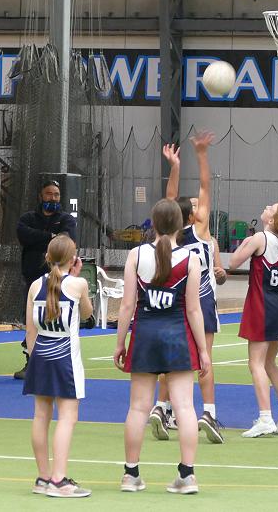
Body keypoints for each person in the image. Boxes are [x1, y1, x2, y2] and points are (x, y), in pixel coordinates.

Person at [114, 199, 210, 495]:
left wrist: (120, 342)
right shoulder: (191, 258)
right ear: (181, 225)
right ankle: (187, 475)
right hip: (177, 337)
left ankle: (131, 474)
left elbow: (127, 305)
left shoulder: (136, 255)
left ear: (152, 224)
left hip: (145, 336)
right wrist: (203, 350)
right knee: (184, 406)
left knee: (138, 407)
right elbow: (193, 309)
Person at [149, 132, 225, 444]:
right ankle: (208, 412)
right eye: (193, 205)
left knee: (173, 359)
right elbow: (206, 187)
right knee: (205, 358)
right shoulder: (200, 230)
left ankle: (161, 407)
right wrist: (202, 154)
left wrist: (176, 167)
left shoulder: (171, 236)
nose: (198, 205)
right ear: (192, 215)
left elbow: (170, 199)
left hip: (176, 300)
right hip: (201, 301)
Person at [23, 234, 93, 497]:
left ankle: (43, 477)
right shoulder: (78, 284)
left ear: (47, 257)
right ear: (73, 259)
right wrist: (75, 275)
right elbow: (87, 314)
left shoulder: (34, 286)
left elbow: (30, 331)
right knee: (67, 417)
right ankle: (59, 479)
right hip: (65, 357)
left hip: (40, 354)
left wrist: (35, 360)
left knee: (41, 416)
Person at [226, 202, 278, 438]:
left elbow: (233, 262)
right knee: (269, 363)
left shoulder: (260, 238)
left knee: (256, 364)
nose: (266, 206)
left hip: (262, 307)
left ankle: (265, 417)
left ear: (271, 219)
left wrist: (246, 241)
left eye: (271, 207)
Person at [15, 180, 77, 379]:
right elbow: (24, 235)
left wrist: (43, 238)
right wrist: (50, 236)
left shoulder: (66, 219)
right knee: (32, 321)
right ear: (41, 196)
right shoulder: (28, 218)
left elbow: (66, 240)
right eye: (49, 194)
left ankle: (59, 364)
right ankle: (31, 362)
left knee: (56, 321)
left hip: (59, 281)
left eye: (56, 194)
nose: (53, 197)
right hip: (32, 278)